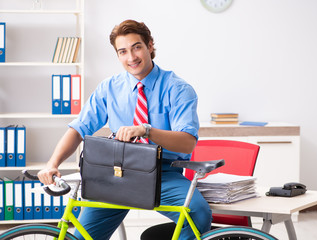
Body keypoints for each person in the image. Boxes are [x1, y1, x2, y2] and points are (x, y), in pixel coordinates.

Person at [38, 19, 212, 240]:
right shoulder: (109, 88)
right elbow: (78, 128)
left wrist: (146, 131)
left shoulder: (178, 89)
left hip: (162, 174)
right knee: (81, 237)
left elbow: (187, 142)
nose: (131, 58)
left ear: (150, 45)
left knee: (198, 213)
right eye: (123, 51)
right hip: (116, 173)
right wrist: (52, 164)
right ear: (118, 55)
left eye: (137, 47)